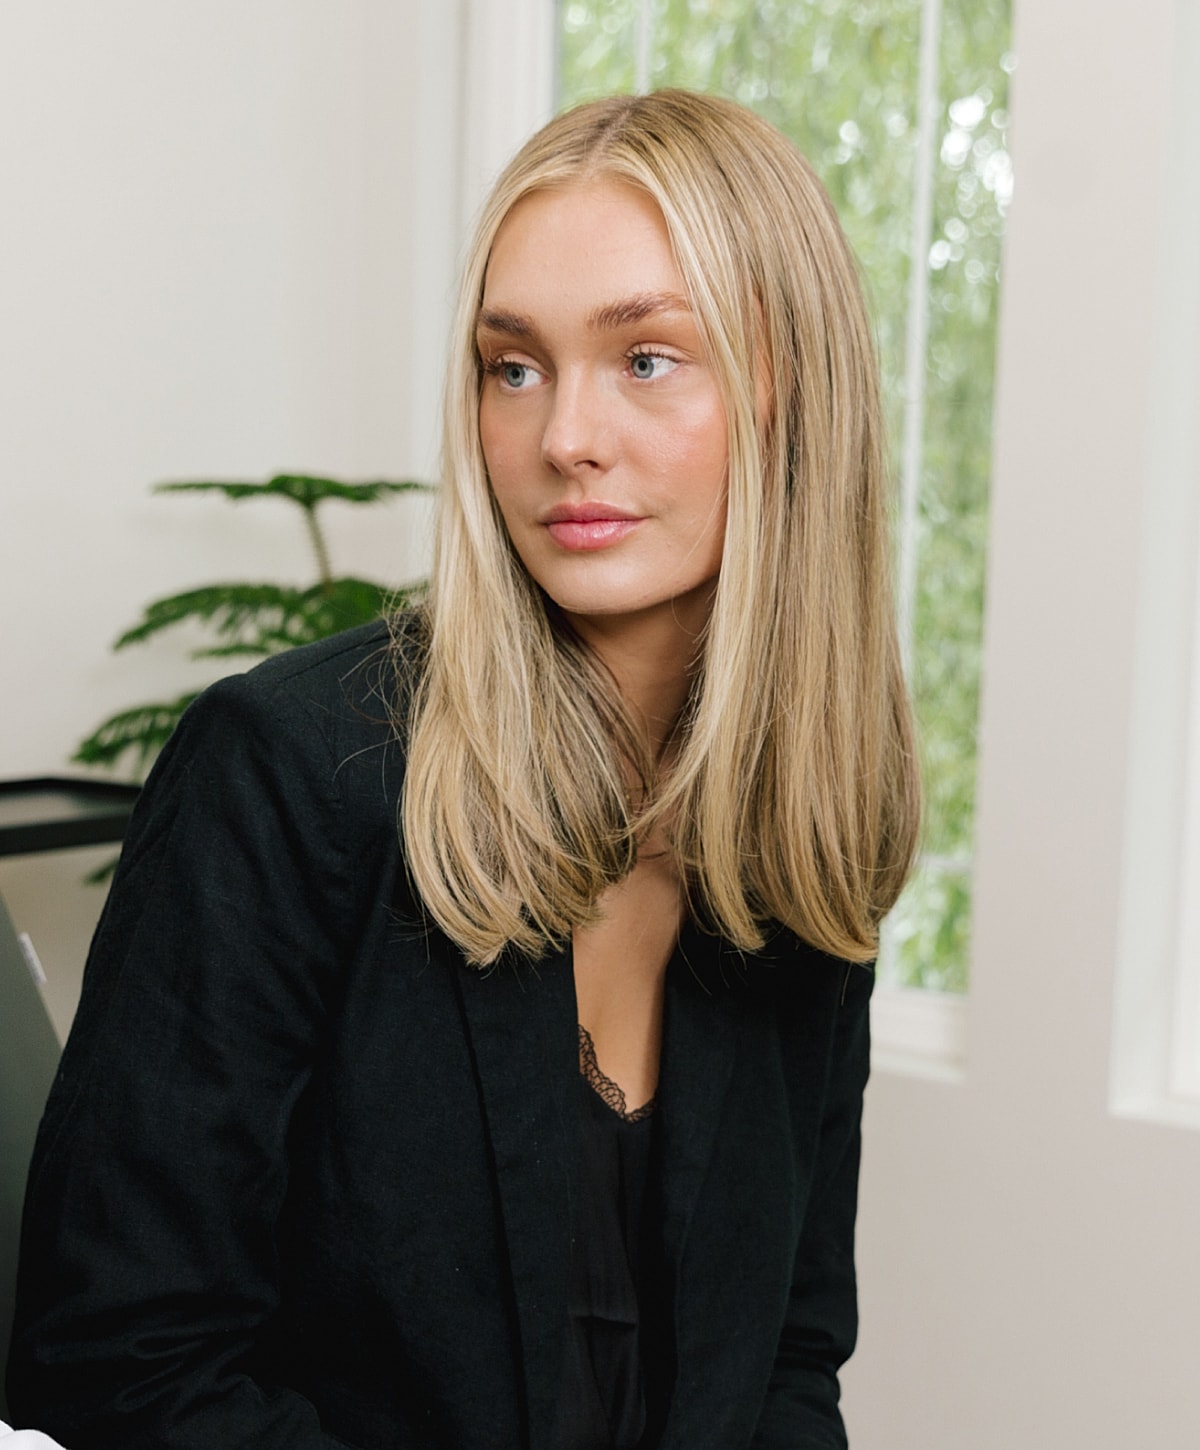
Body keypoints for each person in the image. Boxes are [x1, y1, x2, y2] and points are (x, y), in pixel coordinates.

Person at [6, 89, 919, 1449]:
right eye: (515, 366)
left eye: (648, 358)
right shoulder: (290, 773)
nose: (564, 438)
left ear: (796, 399)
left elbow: (787, 1361)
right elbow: (119, 1361)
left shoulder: (808, 835)